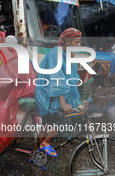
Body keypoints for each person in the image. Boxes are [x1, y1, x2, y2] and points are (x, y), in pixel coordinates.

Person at [34, 28, 82, 158]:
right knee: (62, 122)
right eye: (77, 42)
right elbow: (57, 80)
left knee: (48, 123)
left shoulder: (69, 54)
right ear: (69, 42)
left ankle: (38, 152)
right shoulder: (56, 54)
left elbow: (71, 78)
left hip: (55, 94)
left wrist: (77, 100)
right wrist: (63, 103)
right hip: (48, 94)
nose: (78, 45)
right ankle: (45, 143)